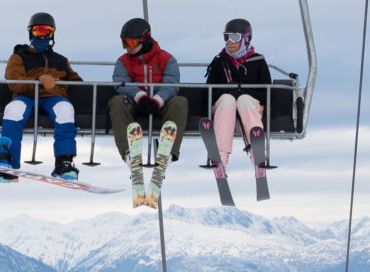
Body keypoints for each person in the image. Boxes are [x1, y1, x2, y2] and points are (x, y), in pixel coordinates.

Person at [0, 12, 82, 181]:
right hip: (27, 96)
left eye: (46, 32)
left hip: (53, 97)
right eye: (39, 31)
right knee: (14, 109)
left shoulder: (61, 60)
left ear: (52, 34)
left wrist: (64, 85)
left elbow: (76, 82)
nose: (43, 36)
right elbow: (13, 81)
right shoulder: (19, 57)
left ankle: (64, 162)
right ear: (31, 33)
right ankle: (6, 156)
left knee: (65, 109)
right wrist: (37, 82)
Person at [108, 17, 190, 163]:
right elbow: (120, 83)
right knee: (117, 102)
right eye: (124, 42)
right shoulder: (123, 62)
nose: (128, 47)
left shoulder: (167, 59)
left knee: (180, 102)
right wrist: (140, 96)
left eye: (131, 42)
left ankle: (167, 153)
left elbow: (172, 84)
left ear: (144, 39)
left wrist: (157, 100)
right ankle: (129, 153)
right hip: (134, 102)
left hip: (161, 102)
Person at [204, 18, 273, 166]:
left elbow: (267, 92)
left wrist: (242, 92)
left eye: (234, 37)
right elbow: (208, 93)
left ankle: (258, 152)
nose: (230, 42)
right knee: (228, 98)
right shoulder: (219, 63)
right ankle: (220, 155)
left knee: (244, 100)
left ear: (245, 39)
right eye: (226, 37)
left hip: (249, 107)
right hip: (223, 108)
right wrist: (229, 91)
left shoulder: (258, 61)